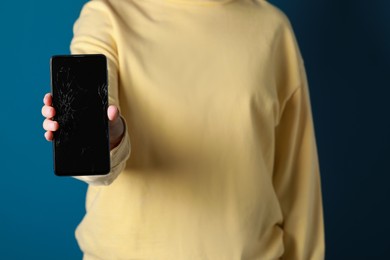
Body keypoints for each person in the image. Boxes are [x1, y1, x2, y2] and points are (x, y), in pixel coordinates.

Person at [42, 0, 325, 259]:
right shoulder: (107, 14)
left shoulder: (273, 29)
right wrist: (108, 138)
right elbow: (90, 160)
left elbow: (298, 184)